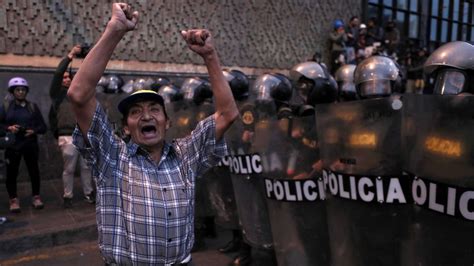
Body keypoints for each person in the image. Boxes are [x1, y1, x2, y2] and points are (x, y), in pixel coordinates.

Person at [67, 3, 238, 265]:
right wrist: (115, 29)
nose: (146, 116)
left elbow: (228, 114)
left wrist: (210, 55)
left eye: (154, 110)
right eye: (135, 112)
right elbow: (78, 95)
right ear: (125, 128)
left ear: (167, 122)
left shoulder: (186, 155)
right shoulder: (113, 157)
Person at [49, 45, 95, 208]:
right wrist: (70, 56)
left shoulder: (79, 94)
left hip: (84, 136)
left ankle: (88, 193)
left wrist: (86, 58)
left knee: (86, 167)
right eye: (65, 78)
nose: (67, 79)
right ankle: (68, 196)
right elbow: (57, 74)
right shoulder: (57, 94)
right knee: (68, 169)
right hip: (67, 136)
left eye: (70, 77)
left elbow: (87, 75)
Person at [0, 77, 47, 212]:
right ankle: (13, 199)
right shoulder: (5, 107)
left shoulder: (32, 107)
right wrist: (9, 129)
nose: (20, 92)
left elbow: (43, 127)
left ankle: (36, 197)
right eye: (17, 90)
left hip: (30, 145)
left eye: (23, 90)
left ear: (26, 92)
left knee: (34, 172)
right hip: (13, 146)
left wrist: (34, 131)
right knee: (11, 174)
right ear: (12, 92)